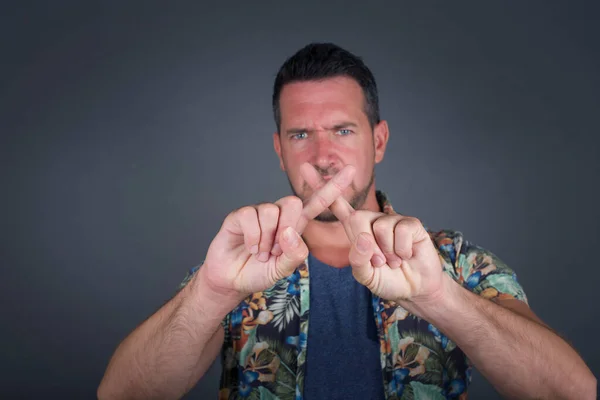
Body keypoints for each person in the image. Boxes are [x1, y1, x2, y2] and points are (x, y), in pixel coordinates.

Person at [98, 43, 596, 400]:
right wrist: (212, 293)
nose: (322, 156)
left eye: (342, 129)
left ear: (377, 140)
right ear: (279, 151)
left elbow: (573, 391)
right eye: (299, 135)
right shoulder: (239, 261)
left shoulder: (454, 260)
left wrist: (440, 298)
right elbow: (121, 393)